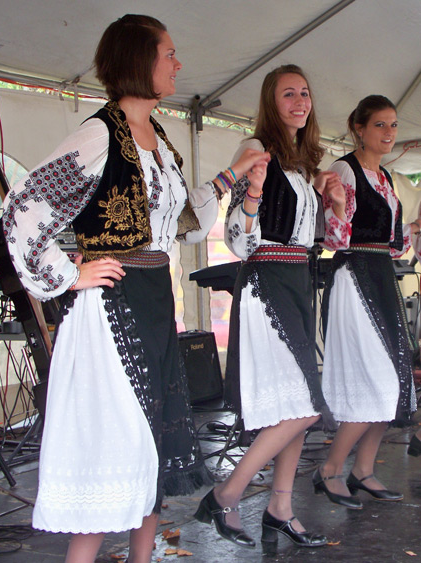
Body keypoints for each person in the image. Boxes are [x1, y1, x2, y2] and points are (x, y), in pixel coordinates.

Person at [2, 15, 269, 563]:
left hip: (153, 302)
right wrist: (69, 275)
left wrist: (235, 174)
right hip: (113, 311)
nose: (178, 64)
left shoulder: (159, 135)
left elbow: (177, 221)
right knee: (117, 447)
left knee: (151, 450)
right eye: (169, 53)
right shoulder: (100, 133)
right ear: (138, 60)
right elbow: (22, 211)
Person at [194, 64, 342, 549]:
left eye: (305, 92)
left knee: (295, 405)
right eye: (288, 94)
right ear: (270, 101)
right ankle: (226, 493)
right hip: (266, 284)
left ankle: (280, 508)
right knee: (305, 405)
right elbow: (238, 240)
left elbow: (315, 238)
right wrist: (254, 189)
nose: (300, 101)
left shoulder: (304, 163)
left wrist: (333, 200)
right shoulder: (254, 151)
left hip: (298, 279)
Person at [314, 95, 418, 509]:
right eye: (380, 125)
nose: (389, 133)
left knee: (394, 380)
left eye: (393, 125)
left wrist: (412, 227)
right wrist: (338, 207)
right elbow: (333, 239)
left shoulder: (387, 180)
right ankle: (330, 470)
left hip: (380, 276)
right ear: (359, 127)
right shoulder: (345, 170)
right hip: (353, 277)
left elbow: (394, 247)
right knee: (378, 378)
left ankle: (363, 470)